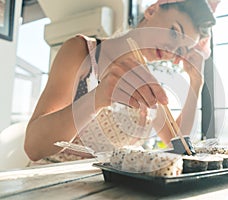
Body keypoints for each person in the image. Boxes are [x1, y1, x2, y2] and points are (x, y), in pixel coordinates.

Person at [24, 0, 216, 164]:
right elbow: (33, 147)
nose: (171, 50)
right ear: (151, 10)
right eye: (174, 32)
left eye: (181, 50)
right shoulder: (84, 52)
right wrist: (97, 99)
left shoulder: (147, 82)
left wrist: (196, 83)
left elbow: (177, 145)